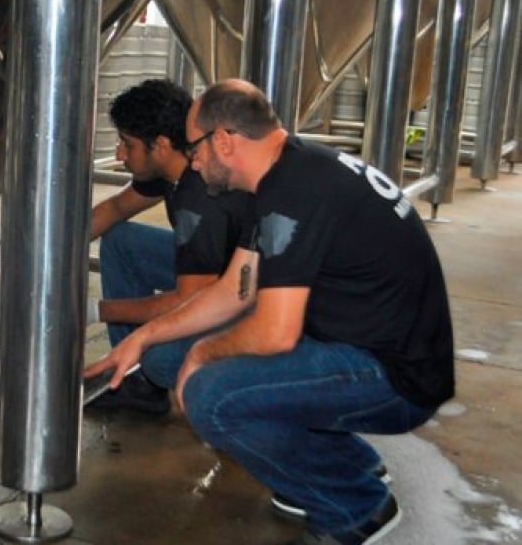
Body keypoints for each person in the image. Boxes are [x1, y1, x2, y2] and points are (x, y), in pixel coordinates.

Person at [85, 79, 454, 544]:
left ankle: (355, 507)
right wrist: (144, 336)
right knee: (192, 361)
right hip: (369, 346)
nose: (191, 159)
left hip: (396, 377)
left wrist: (201, 355)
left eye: (195, 146)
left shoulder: (293, 193)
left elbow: (275, 333)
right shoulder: (290, 170)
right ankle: (347, 465)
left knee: (211, 395)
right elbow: (234, 291)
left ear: (223, 140)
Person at [87, 79, 249, 414]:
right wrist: (46, 251)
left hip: (244, 297)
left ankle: (249, 393)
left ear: (159, 145)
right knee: (121, 242)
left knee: (160, 362)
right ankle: (132, 379)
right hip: (216, 272)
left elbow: (188, 299)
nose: (119, 154)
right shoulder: (172, 169)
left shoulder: (200, 194)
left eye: (126, 144)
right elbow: (115, 209)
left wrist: (93, 311)